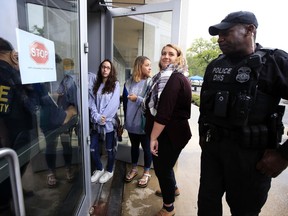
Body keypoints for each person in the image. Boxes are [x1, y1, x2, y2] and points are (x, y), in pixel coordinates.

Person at [197, 11, 288, 216]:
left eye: (226, 32)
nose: (219, 39)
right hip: (214, 155)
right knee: (207, 206)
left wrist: (284, 155)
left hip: (251, 159)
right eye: (218, 35)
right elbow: (205, 108)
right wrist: (204, 137)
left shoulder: (275, 62)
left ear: (250, 30)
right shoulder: (215, 65)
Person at [0, 37, 77, 213]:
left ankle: (13, 192)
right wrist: (71, 112)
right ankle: (8, 200)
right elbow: (54, 118)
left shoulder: (68, 81)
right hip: (12, 143)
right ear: (14, 56)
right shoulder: (19, 77)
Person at [143, 44, 192, 216]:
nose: (166, 56)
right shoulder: (163, 77)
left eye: (171, 54)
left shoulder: (174, 79)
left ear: (178, 57)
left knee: (162, 169)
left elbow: (164, 113)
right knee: (167, 165)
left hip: (168, 135)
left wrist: (153, 138)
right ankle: (173, 189)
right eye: (163, 53)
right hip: (170, 133)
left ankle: (168, 207)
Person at [44, 58, 78, 188]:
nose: (59, 68)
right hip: (49, 120)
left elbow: (73, 104)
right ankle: (51, 172)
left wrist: (68, 118)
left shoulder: (68, 81)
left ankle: (68, 168)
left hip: (65, 120)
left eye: (60, 65)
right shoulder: (46, 80)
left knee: (66, 145)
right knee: (50, 146)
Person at [123, 56, 153, 188]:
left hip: (144, 124)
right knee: (134, 147)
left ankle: (146, 172)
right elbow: (124, 104)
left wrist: (138, 99)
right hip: (131, 123)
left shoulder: (151, 83)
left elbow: (153, 103)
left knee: (147, 149)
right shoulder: (128, 83)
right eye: (147, 65)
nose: (149, 68)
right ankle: (134, 169)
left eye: (149, 65)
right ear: (139, 66)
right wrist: (124, 122)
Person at [89, 59, 120, 184]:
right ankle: (99, 168)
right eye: (103, 67)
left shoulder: (115, 84)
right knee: (92, 148)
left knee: (109, 149)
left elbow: (114, 104)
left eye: (108, 67)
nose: (105, 69)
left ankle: (109, 170)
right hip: (96, 122)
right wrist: (97, 116)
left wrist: (104, 117)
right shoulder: (96, 84)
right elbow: (91, 102)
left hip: (109, 123)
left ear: (111, 70)